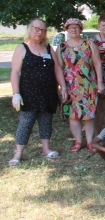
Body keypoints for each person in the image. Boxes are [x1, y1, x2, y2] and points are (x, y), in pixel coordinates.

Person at [9, 19, 67, 165]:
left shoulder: (48, 48)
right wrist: (16, 93)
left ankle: (46, 149)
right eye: (37, 29)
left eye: (43, 30)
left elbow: (57, 69)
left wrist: (63, 87)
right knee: (26, 122)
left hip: (48, 93)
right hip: (28, 94)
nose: (40, 32)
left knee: (46, 121)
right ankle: (18, 153)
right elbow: (15, 72)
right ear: (30, 29)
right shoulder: (22, 48)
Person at [57, 18, 105, 153]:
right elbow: (59, 68)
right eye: (71, 27)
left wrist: (100, 82)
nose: (74, 29)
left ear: (81, 29)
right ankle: (78, 141)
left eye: (76, 27)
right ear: (66, 29)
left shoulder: (89, 44)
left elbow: (97, 63)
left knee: (88, 114)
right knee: (73, 115)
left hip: (88, 85)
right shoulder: (62, 47)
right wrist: (62, 87)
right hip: (70, 86)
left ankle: (90, 141)